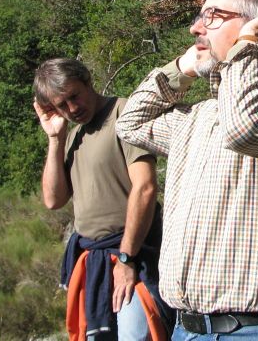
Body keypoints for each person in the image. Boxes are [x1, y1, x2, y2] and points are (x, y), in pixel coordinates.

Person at [115, 0, 258, 340]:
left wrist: (249, 45)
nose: (195, 27)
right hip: (186, 328)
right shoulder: (203, 114)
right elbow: (130, 123)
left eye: (212, 15)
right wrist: (182, 69)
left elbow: (245, 127)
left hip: (255, 331)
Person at [33, 58, 172, 341]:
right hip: (95, 261)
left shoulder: (124, 113)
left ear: (87, 81)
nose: (72, 109)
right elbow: (53, 199)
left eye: (74, 96)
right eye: (61, 105)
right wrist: (55, 139)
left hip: (135, 255)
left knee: (138, 335)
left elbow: (145, 187)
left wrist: (126, 258)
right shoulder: (72, 137)